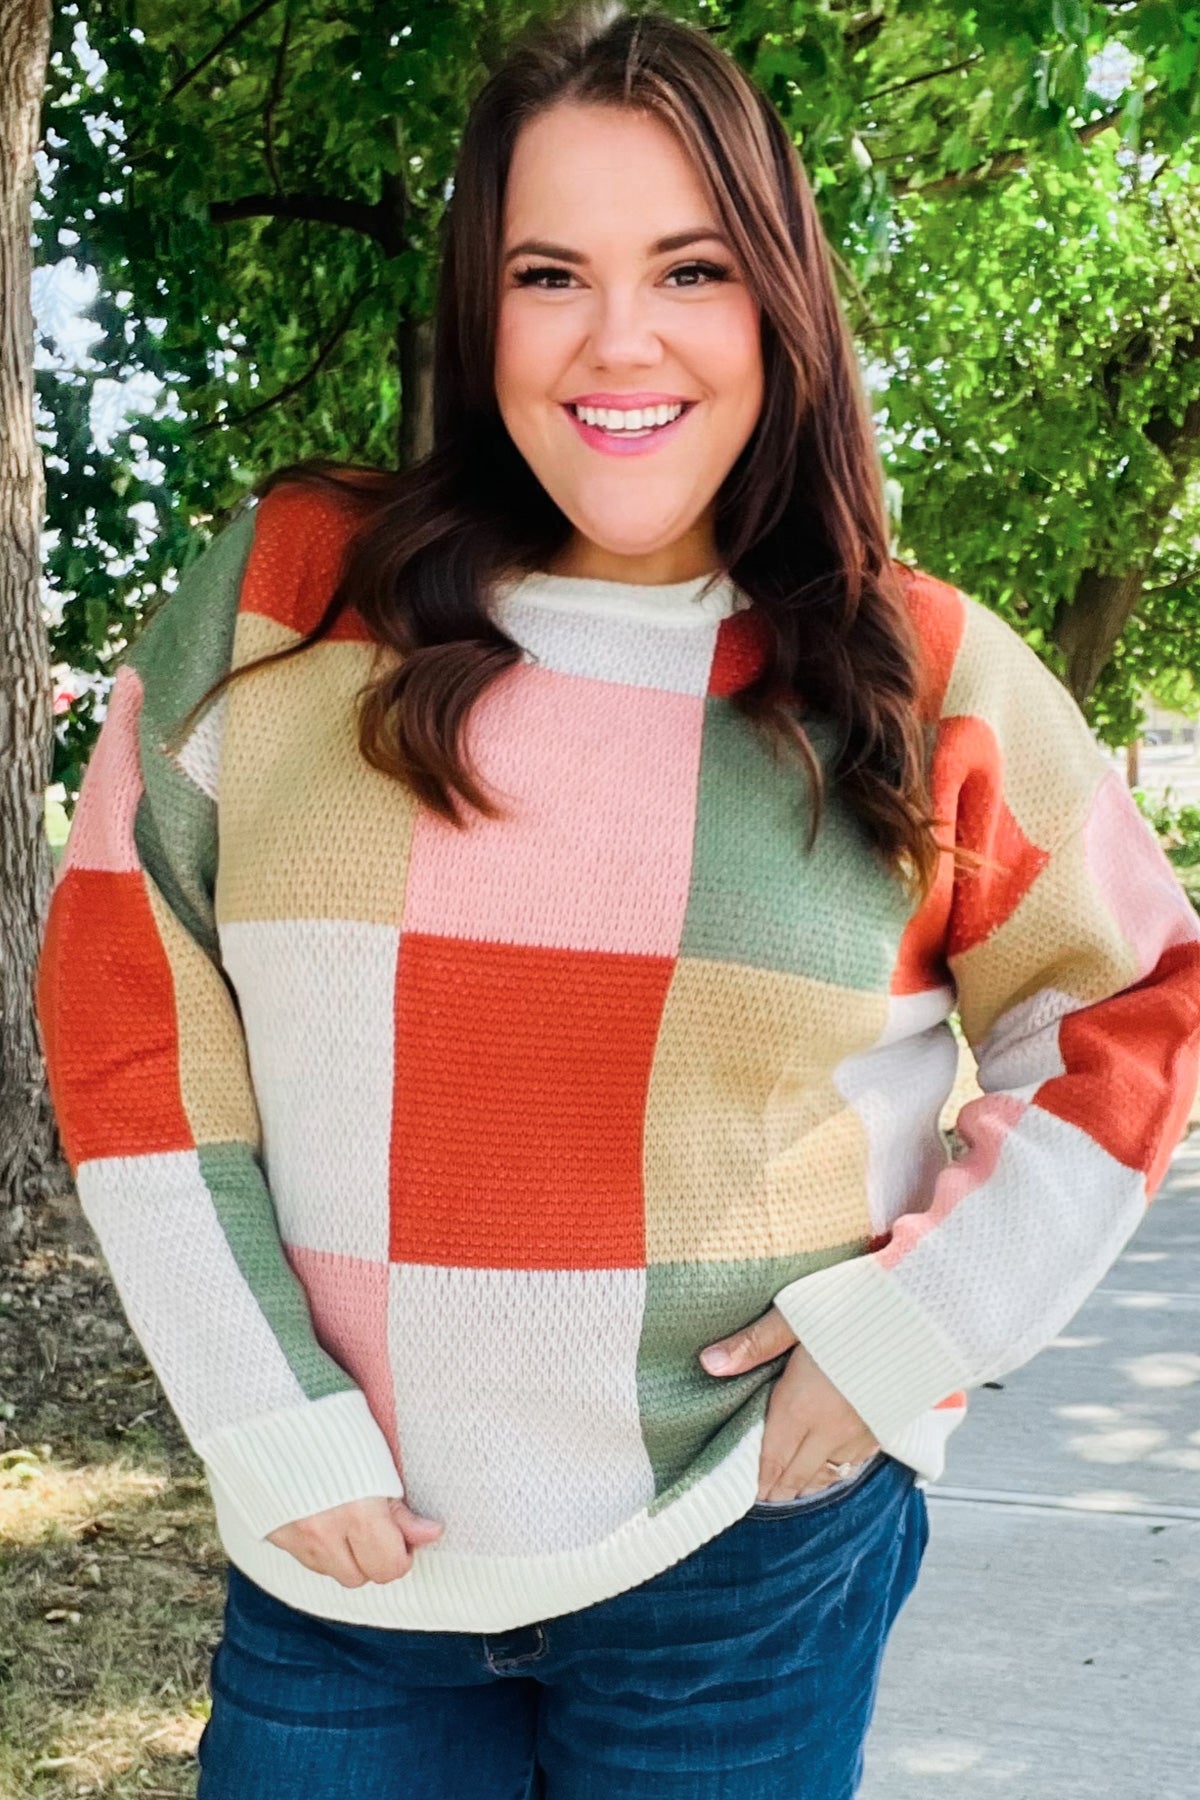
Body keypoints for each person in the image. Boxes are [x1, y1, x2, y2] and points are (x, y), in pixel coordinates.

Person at [34, 4, 1200, 1797]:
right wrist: (261, 1414)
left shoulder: (926, 669)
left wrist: (907, 1338)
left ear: (780, 303)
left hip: (746, 1551)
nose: (620, 338)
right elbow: (132, 1012)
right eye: (549, 273)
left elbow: (1130, 1007)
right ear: (475, 311)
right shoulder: (286, 599)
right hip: (349, 1560)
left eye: (691, 268)